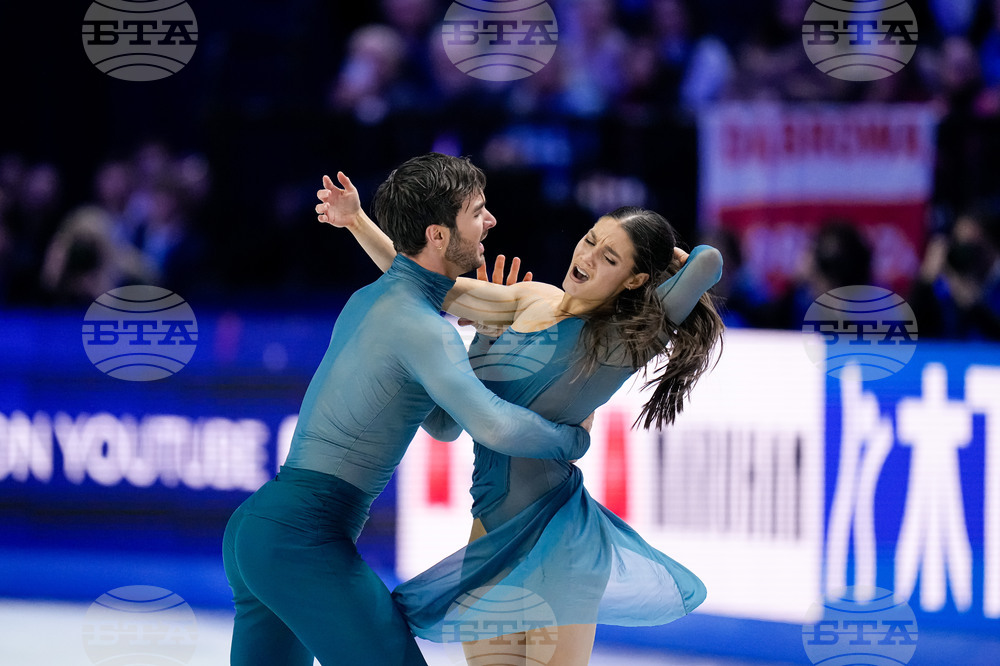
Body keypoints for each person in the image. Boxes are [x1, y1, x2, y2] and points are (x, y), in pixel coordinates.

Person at [317, 170, 725, 664]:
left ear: (636, 279)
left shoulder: (623, 340)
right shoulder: (535, 299)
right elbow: (423, 284)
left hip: (558, 541)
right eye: (591, 239)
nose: (588, 256)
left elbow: (709, 263)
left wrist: (672, 264)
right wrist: (357, 220)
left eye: (610, 258)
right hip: (488, 536)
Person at [223, 153, 593, 666]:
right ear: (438, 235)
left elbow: (441, 424)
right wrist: (571, 439)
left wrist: (484, 340)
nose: (490, 221)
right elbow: (488, 423)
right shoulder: (424, 327)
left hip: (261, 530)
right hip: (302, 539)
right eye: (477, 212)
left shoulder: (369, 300)